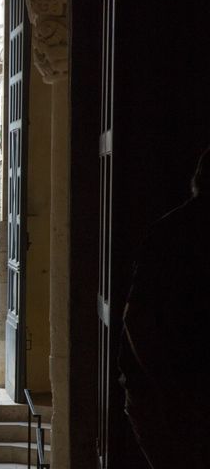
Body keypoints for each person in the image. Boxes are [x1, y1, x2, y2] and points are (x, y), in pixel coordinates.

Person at [119, 148, 210, 468]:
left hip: (158, 395)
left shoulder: (167, 231)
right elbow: (138, 319)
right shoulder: (173, 234)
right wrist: (171, 395)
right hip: (166, 397)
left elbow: (136, 317)